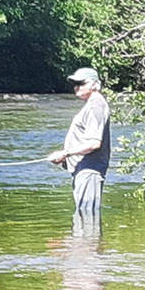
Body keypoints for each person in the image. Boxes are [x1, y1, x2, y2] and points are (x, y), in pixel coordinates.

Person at [46, 66, 111, 221]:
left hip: (89, 171)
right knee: (83, 216)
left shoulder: (96, 105)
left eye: (81, 83)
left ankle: (86, 245)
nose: (77, 87)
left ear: (95, 84)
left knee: (87, 218)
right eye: (75, 83)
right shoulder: (92, 104)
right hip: (83, 170)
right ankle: (78, 245)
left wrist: (66, 153)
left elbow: (94, 143)